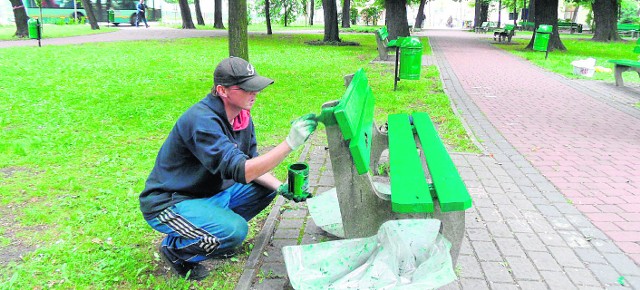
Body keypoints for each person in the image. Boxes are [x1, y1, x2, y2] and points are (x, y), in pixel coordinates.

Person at [139, 56, 318, 280]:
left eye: (255, 87)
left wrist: (281, 187)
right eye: (247, 88)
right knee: (235, 230)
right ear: (222, 91)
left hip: (211, 192)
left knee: (266, 187)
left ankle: (214, 232)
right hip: (171, 202)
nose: (255, 93)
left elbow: (251, 161)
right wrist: (289, 144)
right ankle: (176, 249)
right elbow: (243, 171)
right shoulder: (202, 121)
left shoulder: (241, 117)